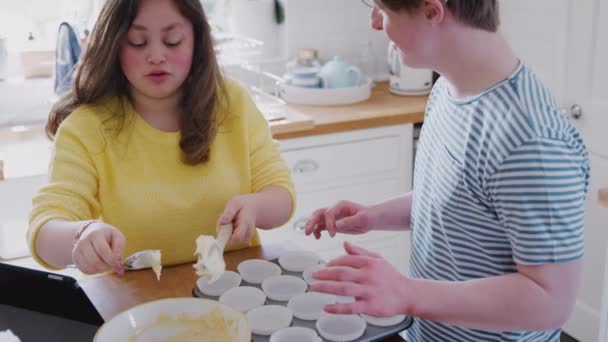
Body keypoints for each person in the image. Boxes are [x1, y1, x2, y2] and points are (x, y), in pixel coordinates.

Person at [305, 0, 590, 340]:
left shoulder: (532, 141)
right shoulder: (448, 89)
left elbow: (551, 302)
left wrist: (407, 293)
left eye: (383, 10)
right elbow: (456, 201)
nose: (375, 23)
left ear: (431, 11)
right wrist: (373, 216)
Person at [27, 0, 295, 276]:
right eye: (137, 42)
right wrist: (81, 235)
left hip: (234, 287)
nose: (156, 55)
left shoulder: (232, 103)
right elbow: (44, 229)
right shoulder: (86, 128)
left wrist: (257, 206)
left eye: (173, 40)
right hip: (136, 301)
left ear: (196, 41)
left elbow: (280, 193)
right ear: (115, 45)